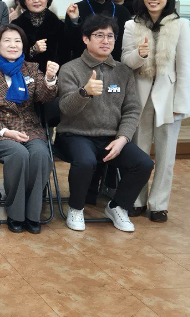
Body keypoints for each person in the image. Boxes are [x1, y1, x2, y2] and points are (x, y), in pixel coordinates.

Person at [55, 15, 153, 232]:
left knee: (143, 163)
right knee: (85, 161)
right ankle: (76, 208)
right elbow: (66, 108)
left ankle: (118, 206)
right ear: (85, 39)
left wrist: (123, 138)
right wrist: (84, 92)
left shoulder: (123, 71)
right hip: (75, 135)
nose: (106, 41)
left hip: (111, 138)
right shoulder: (70, 69)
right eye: (99, 35)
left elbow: (132, 109)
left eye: (110, 36)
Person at [122, 0, 190, 223]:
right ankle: (137, 200)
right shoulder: (131, 25)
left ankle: (159, 204)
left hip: (169, 99)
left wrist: (181, 104)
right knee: (139, 153)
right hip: (139, 98)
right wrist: (139, 55)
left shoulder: (181, 25)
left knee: (166, 155)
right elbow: (125, 61)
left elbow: (185, 67)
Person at [0, 24, 59, 234]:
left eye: (17, 41)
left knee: (41, 154)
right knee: (19, 154)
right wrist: (5, 132)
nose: (13, 45)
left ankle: (32, 214)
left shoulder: (31, 68)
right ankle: (16, 213)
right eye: (7, 40)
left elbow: (44, 97)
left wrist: (49, 79)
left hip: (29, 129)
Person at [64, 0, 131, 62]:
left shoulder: (123, 12)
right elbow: (70, 44)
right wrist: (75, 20)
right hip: (83, 64)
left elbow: (125, 46)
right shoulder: (76, 9)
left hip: (114, 64)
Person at [13, 0, 66, 71]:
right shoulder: (16, 26)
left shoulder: (60, 26)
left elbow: (66, 56)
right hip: (23, 75)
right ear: (24, 0)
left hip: (54, 76)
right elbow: (11, 56)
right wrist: (33, 50)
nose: (36, 0)